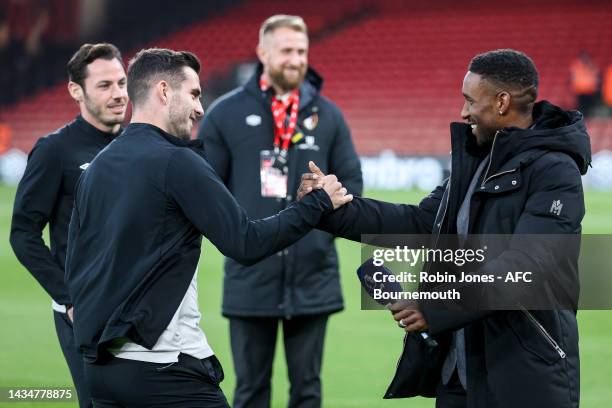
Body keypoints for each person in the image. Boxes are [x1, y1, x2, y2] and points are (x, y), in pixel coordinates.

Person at [300, 49, 589, 408]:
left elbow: (525, 266)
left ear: (502, 102)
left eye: (470, 100)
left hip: (521, 374)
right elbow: (419, 223)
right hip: (458, 372)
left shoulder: (555, 171)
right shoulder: (479, 162)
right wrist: (329, 209)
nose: (463, 112)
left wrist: (437, 306)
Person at [64, 47, 352, 408]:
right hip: (164, 368)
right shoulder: (178, 161)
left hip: (102, 373)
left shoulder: (99, 166)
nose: (201, 108)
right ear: (164, 91)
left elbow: (75, 262)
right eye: (195, 94)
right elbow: (246, 242)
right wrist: (317, 203)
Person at [198, 14, 363, 408]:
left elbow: (352, 187)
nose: (296, 59)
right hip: (250, 276)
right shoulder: (225, 114)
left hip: (313, 278)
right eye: (287, 50)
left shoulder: (329, 116)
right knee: (251, 392)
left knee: (307, 392)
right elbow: (206, 191)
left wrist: (325, 197)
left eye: (302, 51)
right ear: (262, 53)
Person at [10, 42, 128, 408]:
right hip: (85, 310)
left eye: (122, 83)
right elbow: (23, 234)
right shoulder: (54, 150)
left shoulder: (138, 144)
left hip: (140, 307)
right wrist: (69, 297)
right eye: (105, 86)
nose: (119, 94)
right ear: (76, 91)